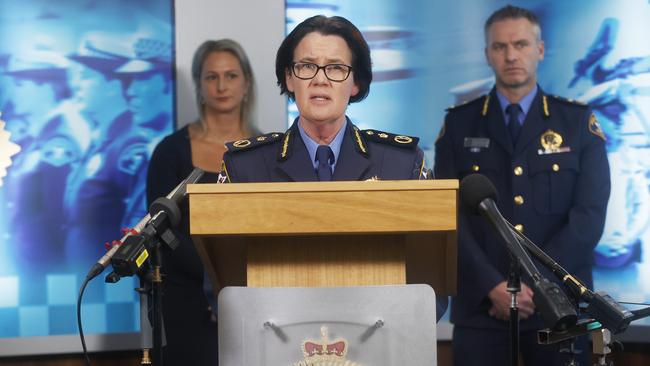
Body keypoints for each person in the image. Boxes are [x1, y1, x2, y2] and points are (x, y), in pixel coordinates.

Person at [219, 15, 447, 319]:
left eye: (336, 68)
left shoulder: (401, 162)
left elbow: (429, 284)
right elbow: (224, 284)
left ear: (356, 83)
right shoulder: (245, 167)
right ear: (289, 77)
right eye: (306, 66)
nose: (320, 79)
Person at [434, 5, 610, 366]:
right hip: (482, 305)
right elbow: (448, 215)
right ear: (487, 55)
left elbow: (588, 216)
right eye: (499, 47)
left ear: (540, 50)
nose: (511, 55)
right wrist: (493, 287)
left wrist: (537, 287)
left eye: (520, 44)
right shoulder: (459, 125)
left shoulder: (577, 123)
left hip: (560, 304)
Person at [146, 38, 259, 366]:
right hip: (187, 298)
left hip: (251, 297)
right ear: (199, 85)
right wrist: (215, 284)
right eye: (212, 77)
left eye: (231, 75)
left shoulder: (265, 152)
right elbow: (162, 232)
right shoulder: (170, 151)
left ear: (247, 83)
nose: (222, 86)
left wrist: (235, 288)